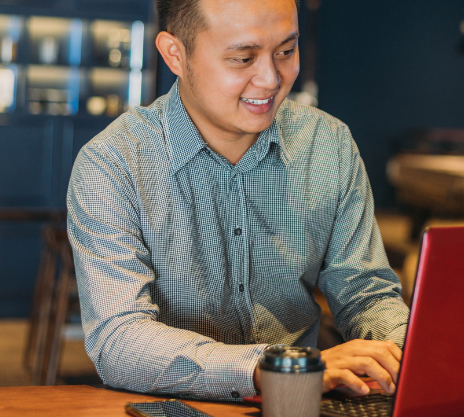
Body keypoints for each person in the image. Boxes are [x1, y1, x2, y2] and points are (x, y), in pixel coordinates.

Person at [67, 0, 409, 401]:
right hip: (169, 407)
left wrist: (415, 353)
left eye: (286, 52)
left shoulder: (327, 144)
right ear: (175, 54)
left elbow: (364, 294)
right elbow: (119, 341)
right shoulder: (113, 164)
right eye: (243, 58)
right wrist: (275, 368)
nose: (270, 79)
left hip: (299, 405)